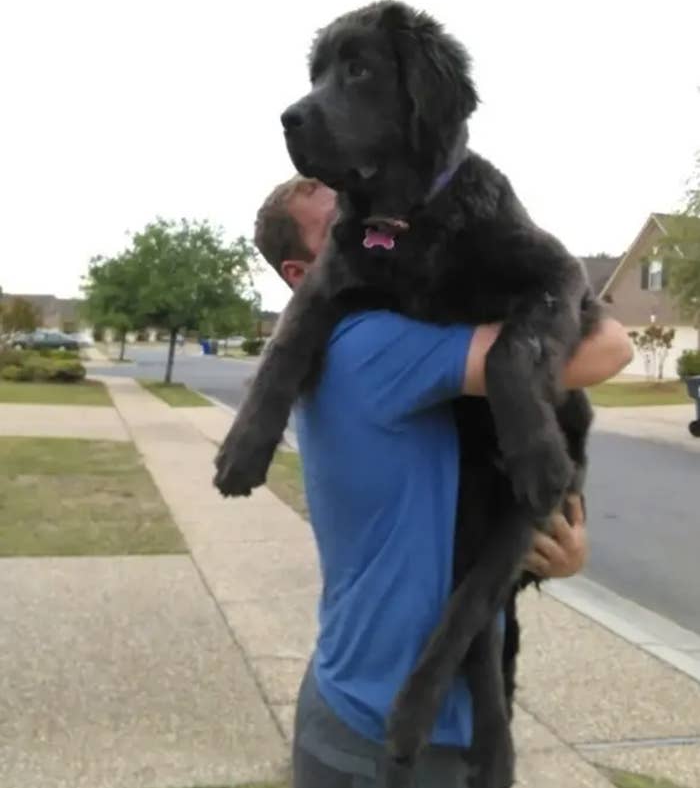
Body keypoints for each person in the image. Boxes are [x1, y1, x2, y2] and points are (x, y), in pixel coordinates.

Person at [254, 175, 633, 788]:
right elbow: (607, 348)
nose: (367, 227)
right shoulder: (368, 343)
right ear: (301, 275)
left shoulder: (336, 344)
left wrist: (552, 555)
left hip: (364, 699)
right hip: (387, 739)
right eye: (337, 226)